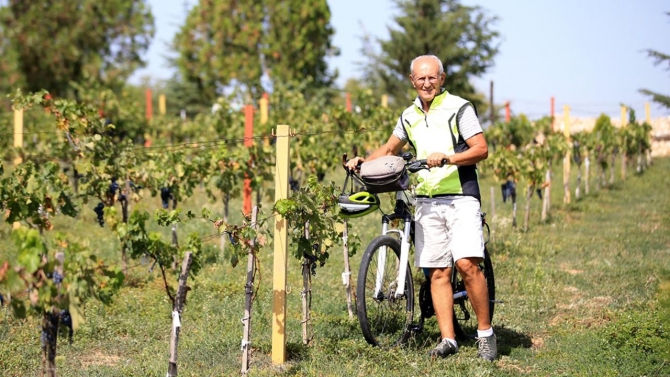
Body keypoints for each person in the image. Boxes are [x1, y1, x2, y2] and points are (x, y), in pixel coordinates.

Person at [345, 55, 496, 361]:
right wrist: (364, 162)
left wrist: (448, 158)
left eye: (432, 77)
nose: (427, 83)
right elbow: (390, 148)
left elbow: (481, 149)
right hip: (426, 200)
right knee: (437, 273)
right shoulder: (409, 115)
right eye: (420, 78)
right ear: (412, 81)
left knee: (467, 265)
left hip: (460, 196)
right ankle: (448, 339)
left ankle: (485, 334)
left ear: (442, 79)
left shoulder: (460, 107)